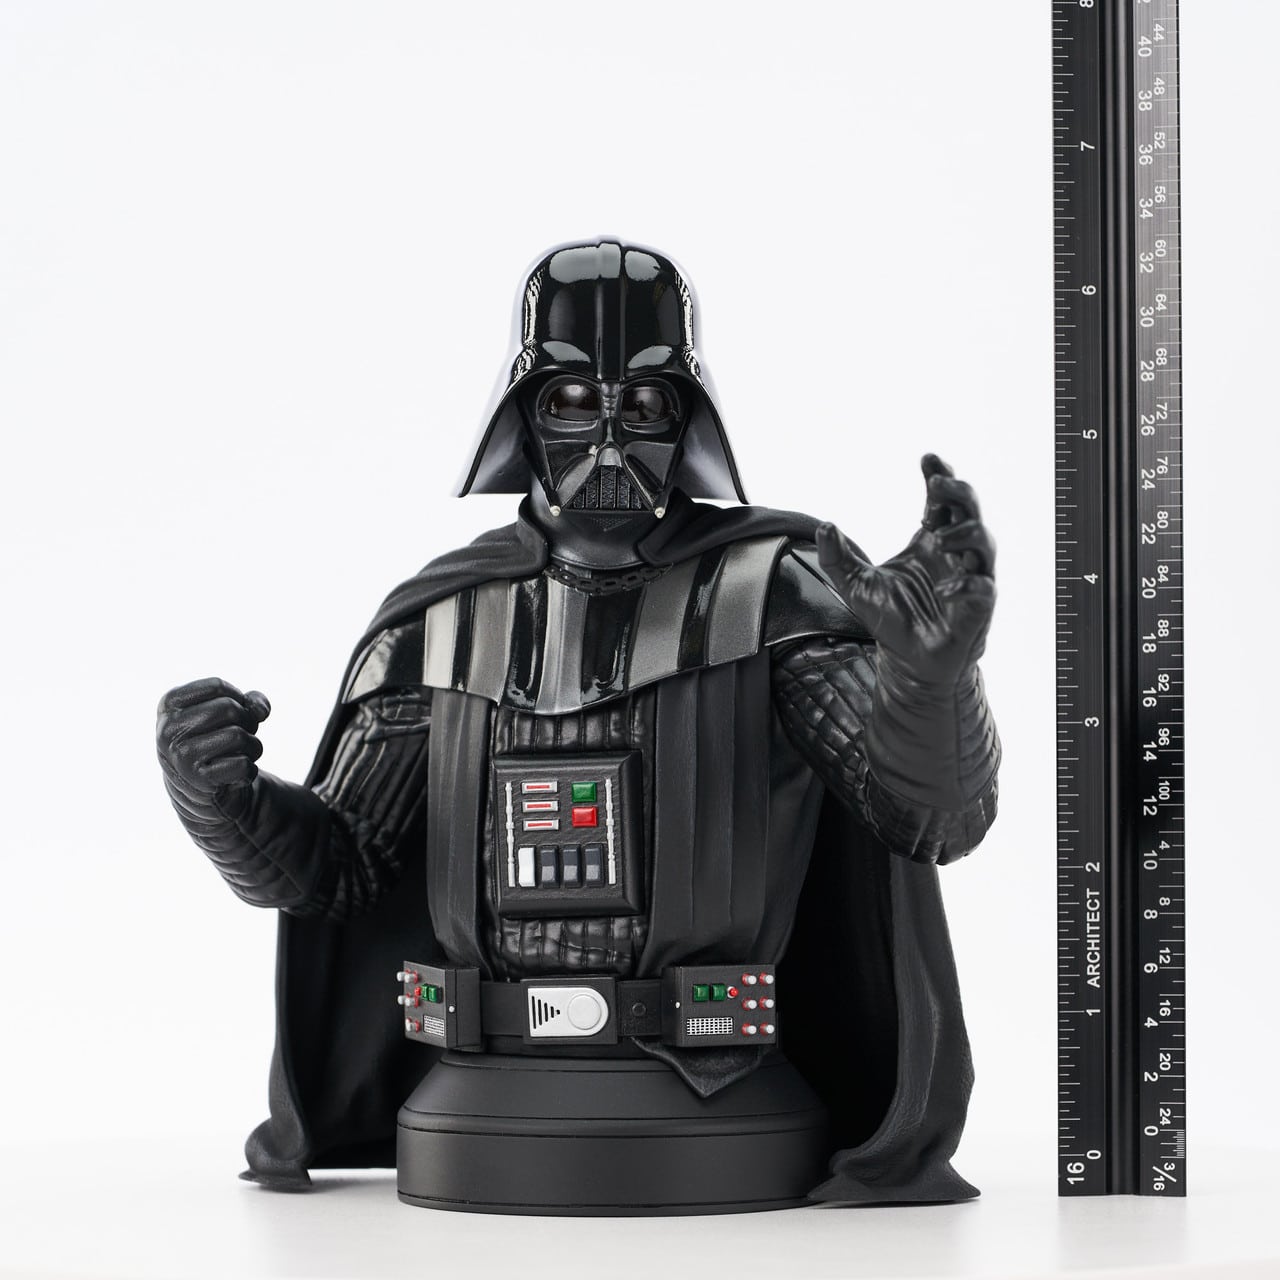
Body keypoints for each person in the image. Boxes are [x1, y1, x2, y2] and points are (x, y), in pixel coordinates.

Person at [156, 238, 1000, 1213]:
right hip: (477, 1091)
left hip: (719, 1092)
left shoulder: (777, 593)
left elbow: (933, 819)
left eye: (642, 405)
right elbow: (337, 871)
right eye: (568, 398)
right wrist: (222, 802)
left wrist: (931, 681)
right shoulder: (441, 619)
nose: (606, 435)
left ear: (685, 420)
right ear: (521, 415)